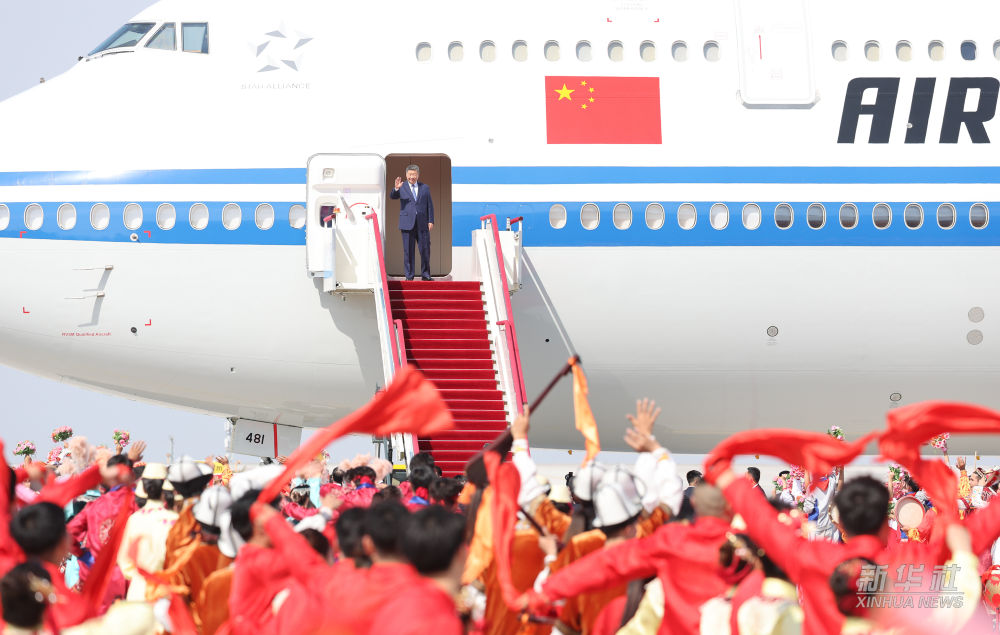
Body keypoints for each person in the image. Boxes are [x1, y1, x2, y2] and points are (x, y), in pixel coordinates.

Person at [116, 462, 178, 601]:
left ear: (144, 487)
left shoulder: (135, 519)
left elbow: (124, 560)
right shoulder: (175, 519)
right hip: (166, 591)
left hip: (139, 590)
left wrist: (138, 576)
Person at [389, 164, 434, 281]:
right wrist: (396, 188)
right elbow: (392, 196)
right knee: (408, 251)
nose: (412, 177)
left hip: (422, 223)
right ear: (406, 175)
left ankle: (426, 274)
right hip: (407, 223)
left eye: (414, 174)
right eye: (410, 174)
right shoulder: (402, 186)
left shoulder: (425, 188)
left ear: (418, 175)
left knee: (425, 250)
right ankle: (409, 276)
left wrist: (431, 220)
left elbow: (430, 205)